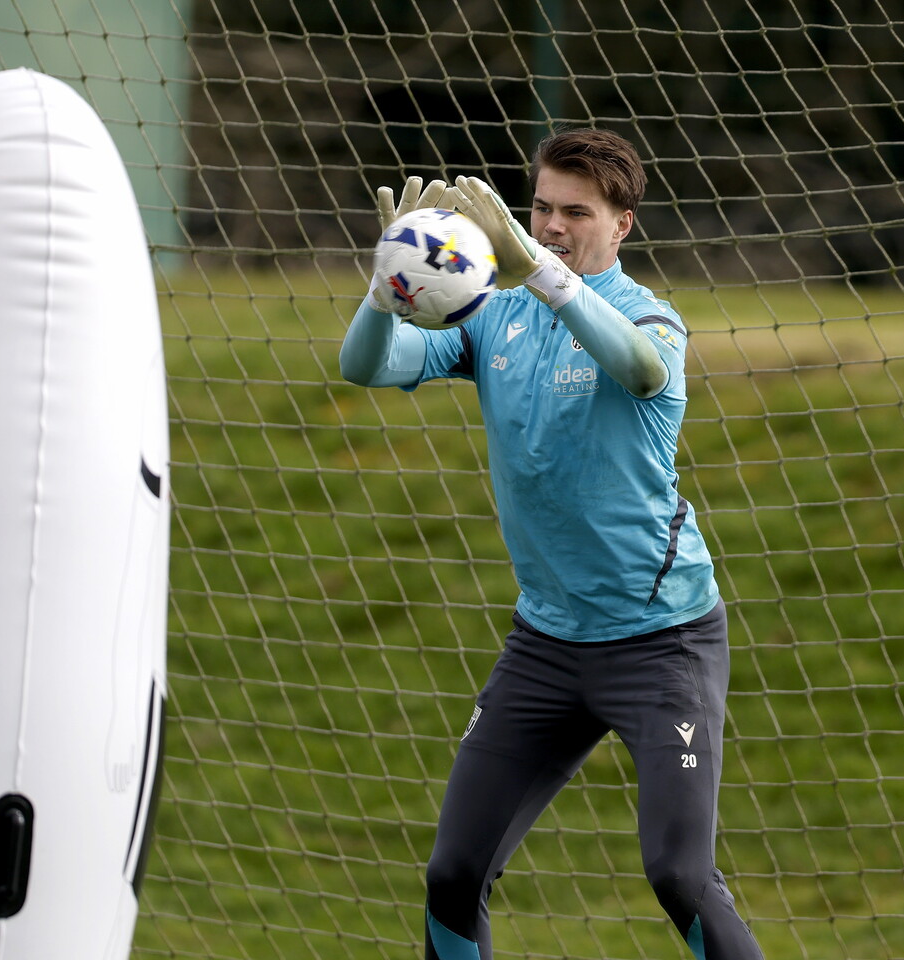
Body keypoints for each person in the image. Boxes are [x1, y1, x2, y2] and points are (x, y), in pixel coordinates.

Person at [340, 128, 765, 960]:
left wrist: (539, 268)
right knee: (453, 873)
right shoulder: (491, 316)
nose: (554, 223)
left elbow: (640, 371)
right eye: (540, 208)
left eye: (576, 211)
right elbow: (368, 368)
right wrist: (385, 289)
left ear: (623, 225)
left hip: (661, 643)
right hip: (546, 645)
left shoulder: (648, 317)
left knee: (678, 876)